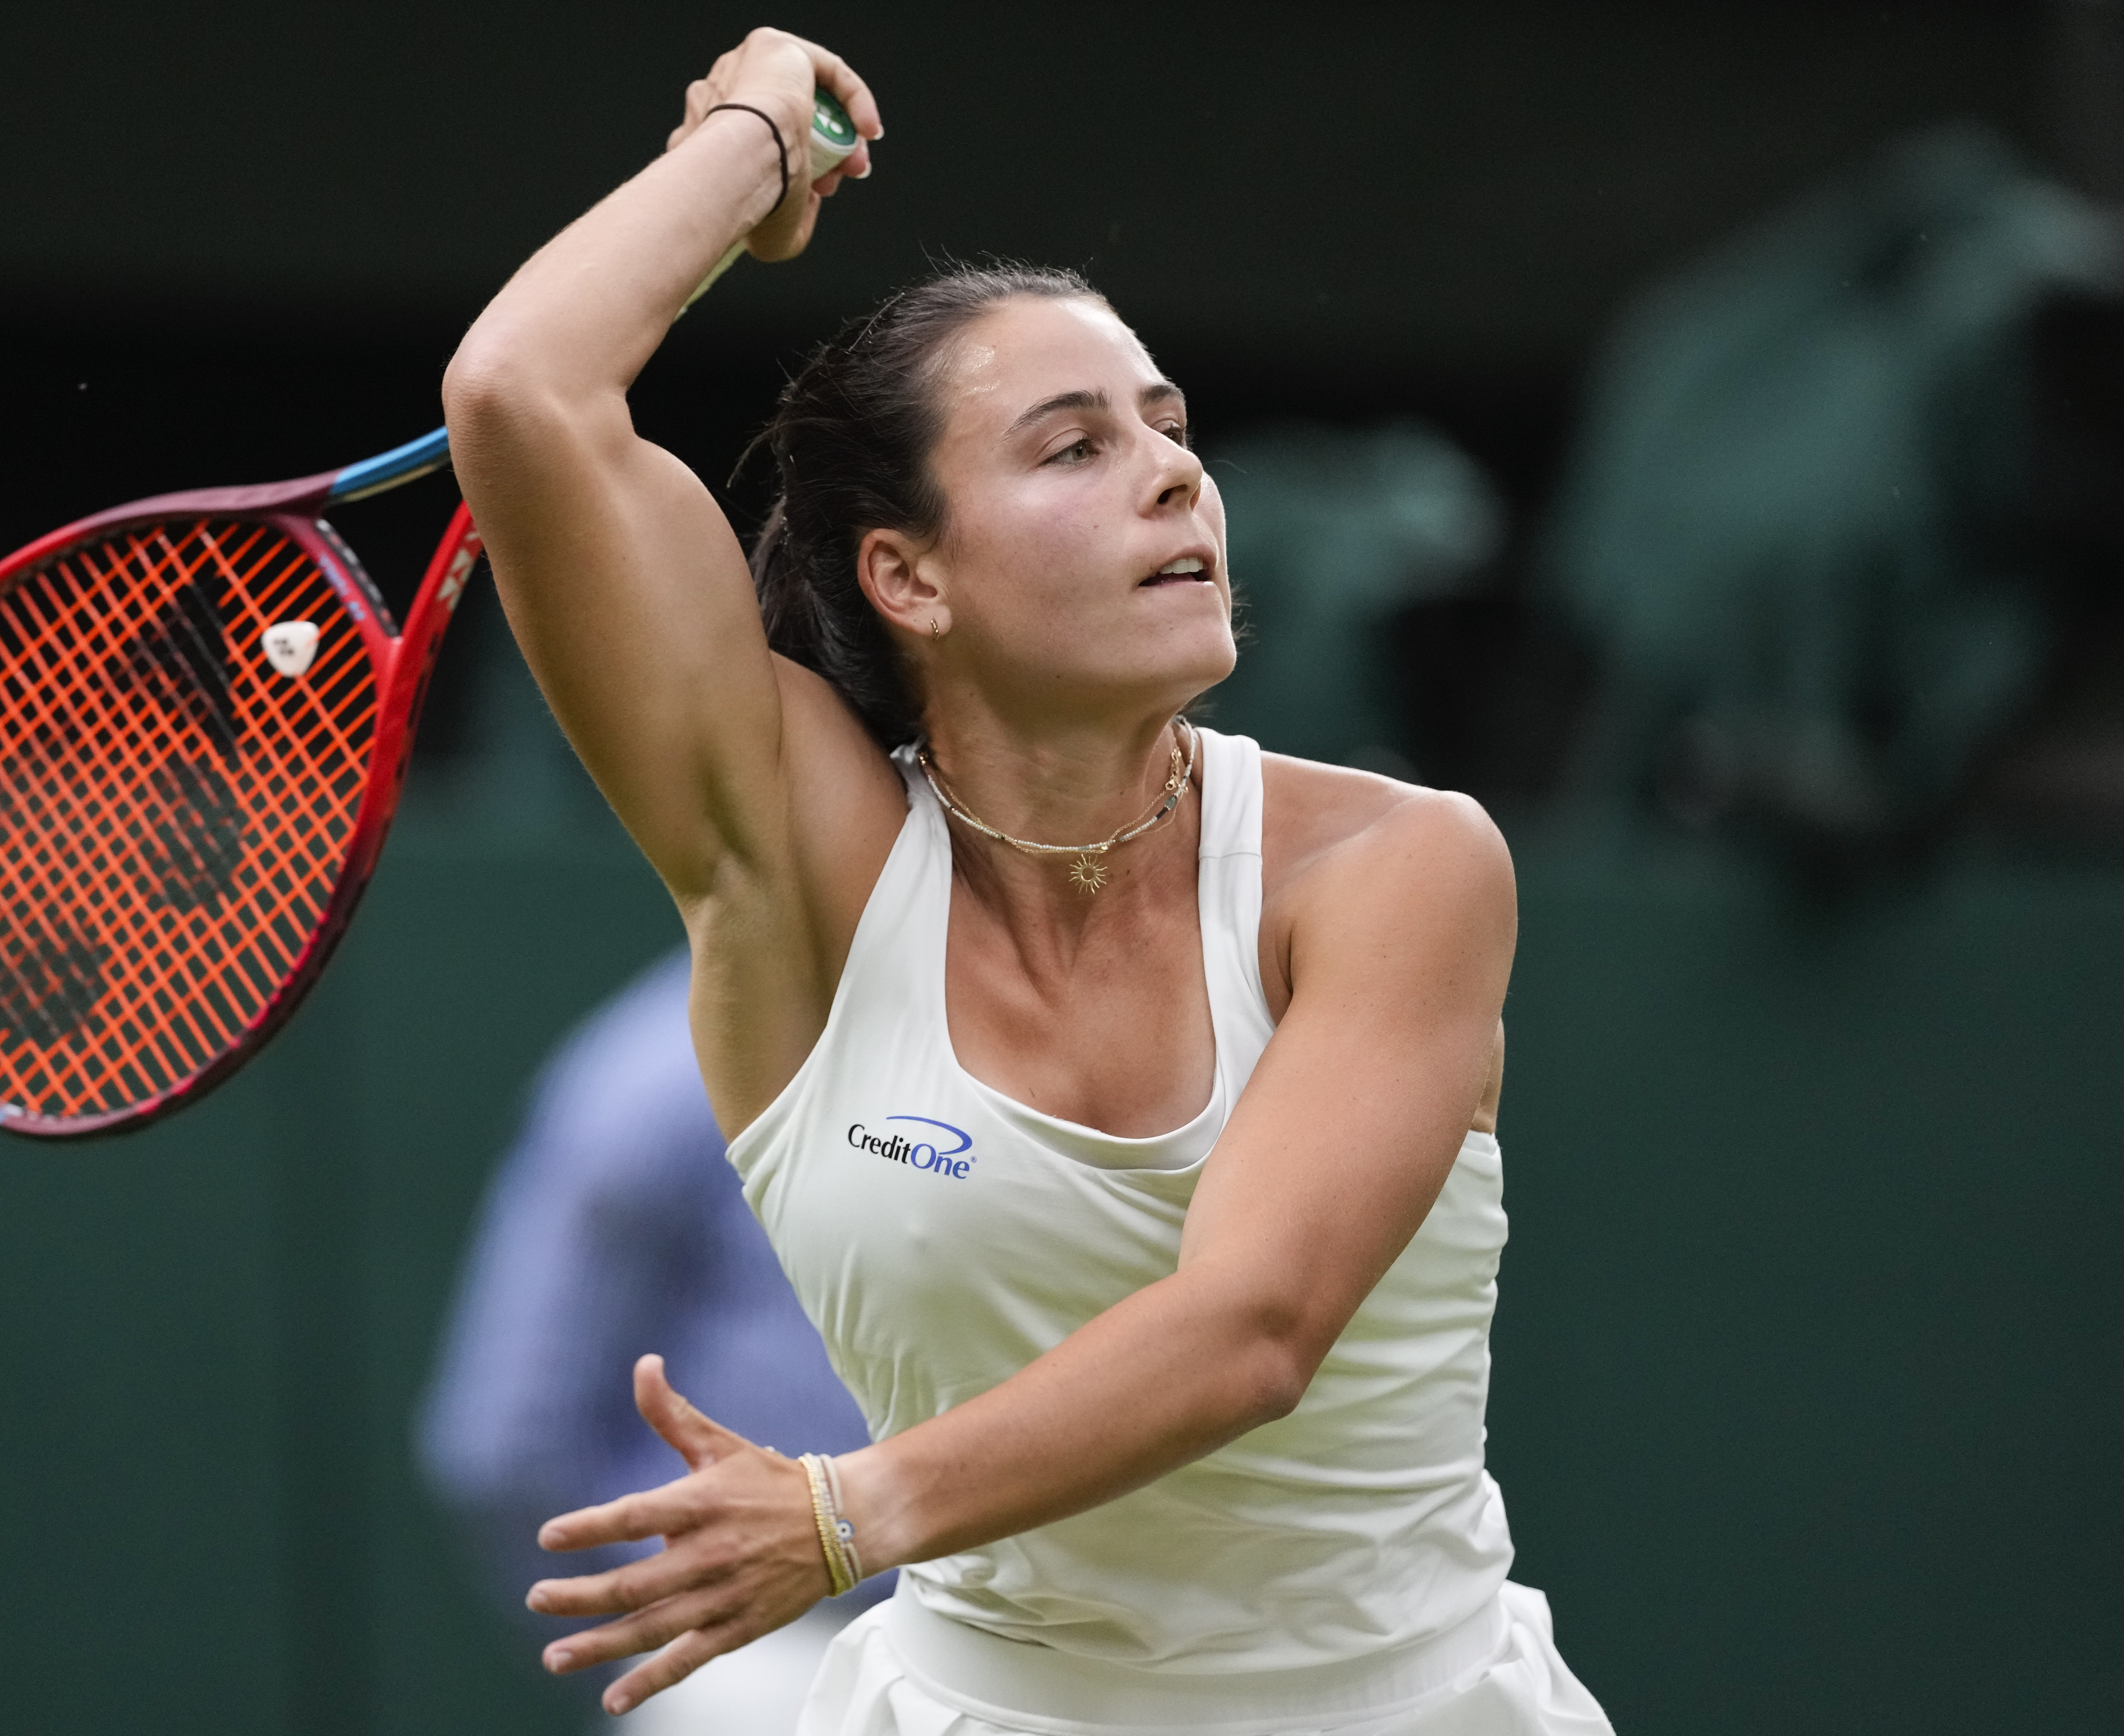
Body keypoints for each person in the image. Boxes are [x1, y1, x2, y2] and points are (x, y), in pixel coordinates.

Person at [440, 27, 1614, 1734]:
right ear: (906, 574)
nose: (1171, 471)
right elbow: (521, 395)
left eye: (1169, 427)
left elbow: (1251, 1321)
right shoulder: (797, 871)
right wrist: (753, 144)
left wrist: (841, 1509)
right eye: (1071, 447)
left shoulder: (1397, 864)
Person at [417, 947, 888, 1735]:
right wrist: (647, 1630)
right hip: (775, 1654)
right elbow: (501, 1440)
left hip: (1041, 1641)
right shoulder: (656, 1071)